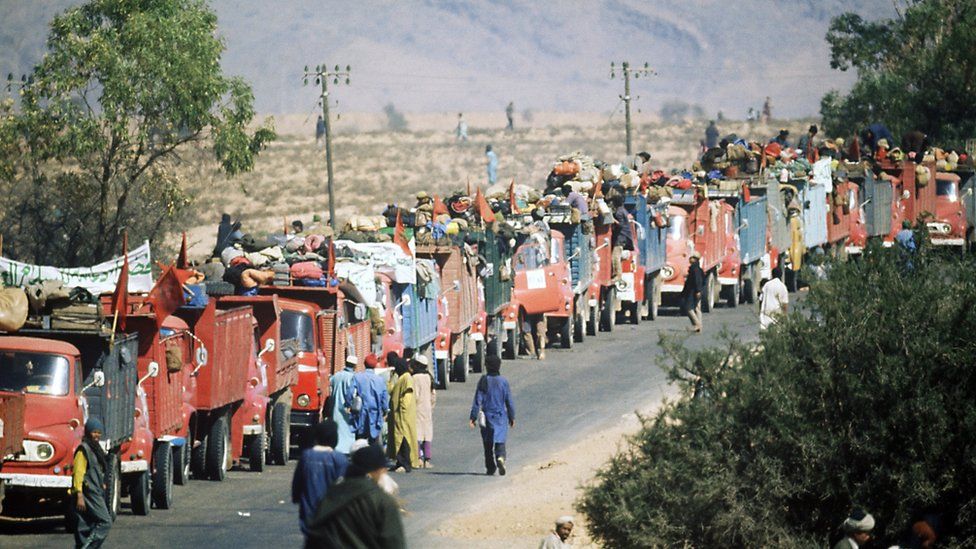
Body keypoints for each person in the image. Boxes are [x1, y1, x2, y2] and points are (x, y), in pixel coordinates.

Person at [304, 444, 407, 549]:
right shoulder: (382, 501)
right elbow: (394, 543)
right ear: (378, 470)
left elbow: (314, 537)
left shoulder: (330, 495)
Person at [292, 420, 348, 538]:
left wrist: (296, 496)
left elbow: (298, 482)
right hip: (332, 513)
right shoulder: (339, 459)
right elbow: (344, 487)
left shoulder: (306, 456)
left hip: (309, 511)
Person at [469, 355, 515, 476]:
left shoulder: (483, 380)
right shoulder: (503, 382)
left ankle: (490, 467)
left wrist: (473, 417)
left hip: (486, 416)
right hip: (500, 416)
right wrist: (512, 417)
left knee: (487, 443)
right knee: (500, 440)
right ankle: (500, 457)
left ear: (487, 366)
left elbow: (477, 400)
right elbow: (509, 401)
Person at [71, 418, 112, 549]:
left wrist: (102, 484)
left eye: (99, 433)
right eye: (94, 432)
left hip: (96, 490)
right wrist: (79, 495)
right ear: (88, 432)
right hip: (88, 493)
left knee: (86, 525)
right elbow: (78, 473)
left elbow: (97, 470)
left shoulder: (95, 449)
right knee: (105, 522)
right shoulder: (83, 450)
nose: (97, 435)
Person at [387, 355, 419, 472]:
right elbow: (390, 390)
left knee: (403, 440)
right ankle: (399, 462)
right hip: (397, 416)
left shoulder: (407, 378)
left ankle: (405, 464)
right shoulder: (400, 378)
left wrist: (402, 407)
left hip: (403, 416)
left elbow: (408, 395)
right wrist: (391, 378)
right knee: (397, 439)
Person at [351, 354, 389, 445]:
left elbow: (350, 393)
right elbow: (384, 399)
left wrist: (349, 405)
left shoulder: (357, 377)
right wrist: (385, 410)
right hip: (375, 416)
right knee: (374, 441)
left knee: (360, 441)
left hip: (360, 415)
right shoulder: (380, 380)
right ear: (375, 365)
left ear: (364, 364)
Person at [329, 355, 358, 454]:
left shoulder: (336, 376)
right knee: (348, 430)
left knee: (337, 429)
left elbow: (329, 386)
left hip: (335, 408)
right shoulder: (353, 377)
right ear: (355, 366)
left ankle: (337, 447)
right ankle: (348, 449)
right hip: (348, 409)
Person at [411, 354, 436, 468]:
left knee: (418, 434)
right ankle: (428, 459)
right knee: (427, 434)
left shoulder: (415, 378)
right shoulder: (429, 377)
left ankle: (419, 458)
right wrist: (431, 406)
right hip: (427, 409)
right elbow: (433, 395)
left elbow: (415, 395)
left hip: (417, 408)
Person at [610, 195, 634, 283]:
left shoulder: (619, 212)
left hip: (621, 236)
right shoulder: (623, 210)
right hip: (624, 236)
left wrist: (613, 220)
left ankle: (617, 275)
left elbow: (620, 225)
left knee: (615, 257)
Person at [682, 252, 705, 333]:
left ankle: (697, 324)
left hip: (693, 291)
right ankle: (699, 326)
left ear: (695, 259)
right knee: (697, 308)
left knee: (689, 309)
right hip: (697, 291)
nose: (690, 259)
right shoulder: (697, 268)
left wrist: (698, 290)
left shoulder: (695, 269)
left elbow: (697, 280)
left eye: (692, 257)